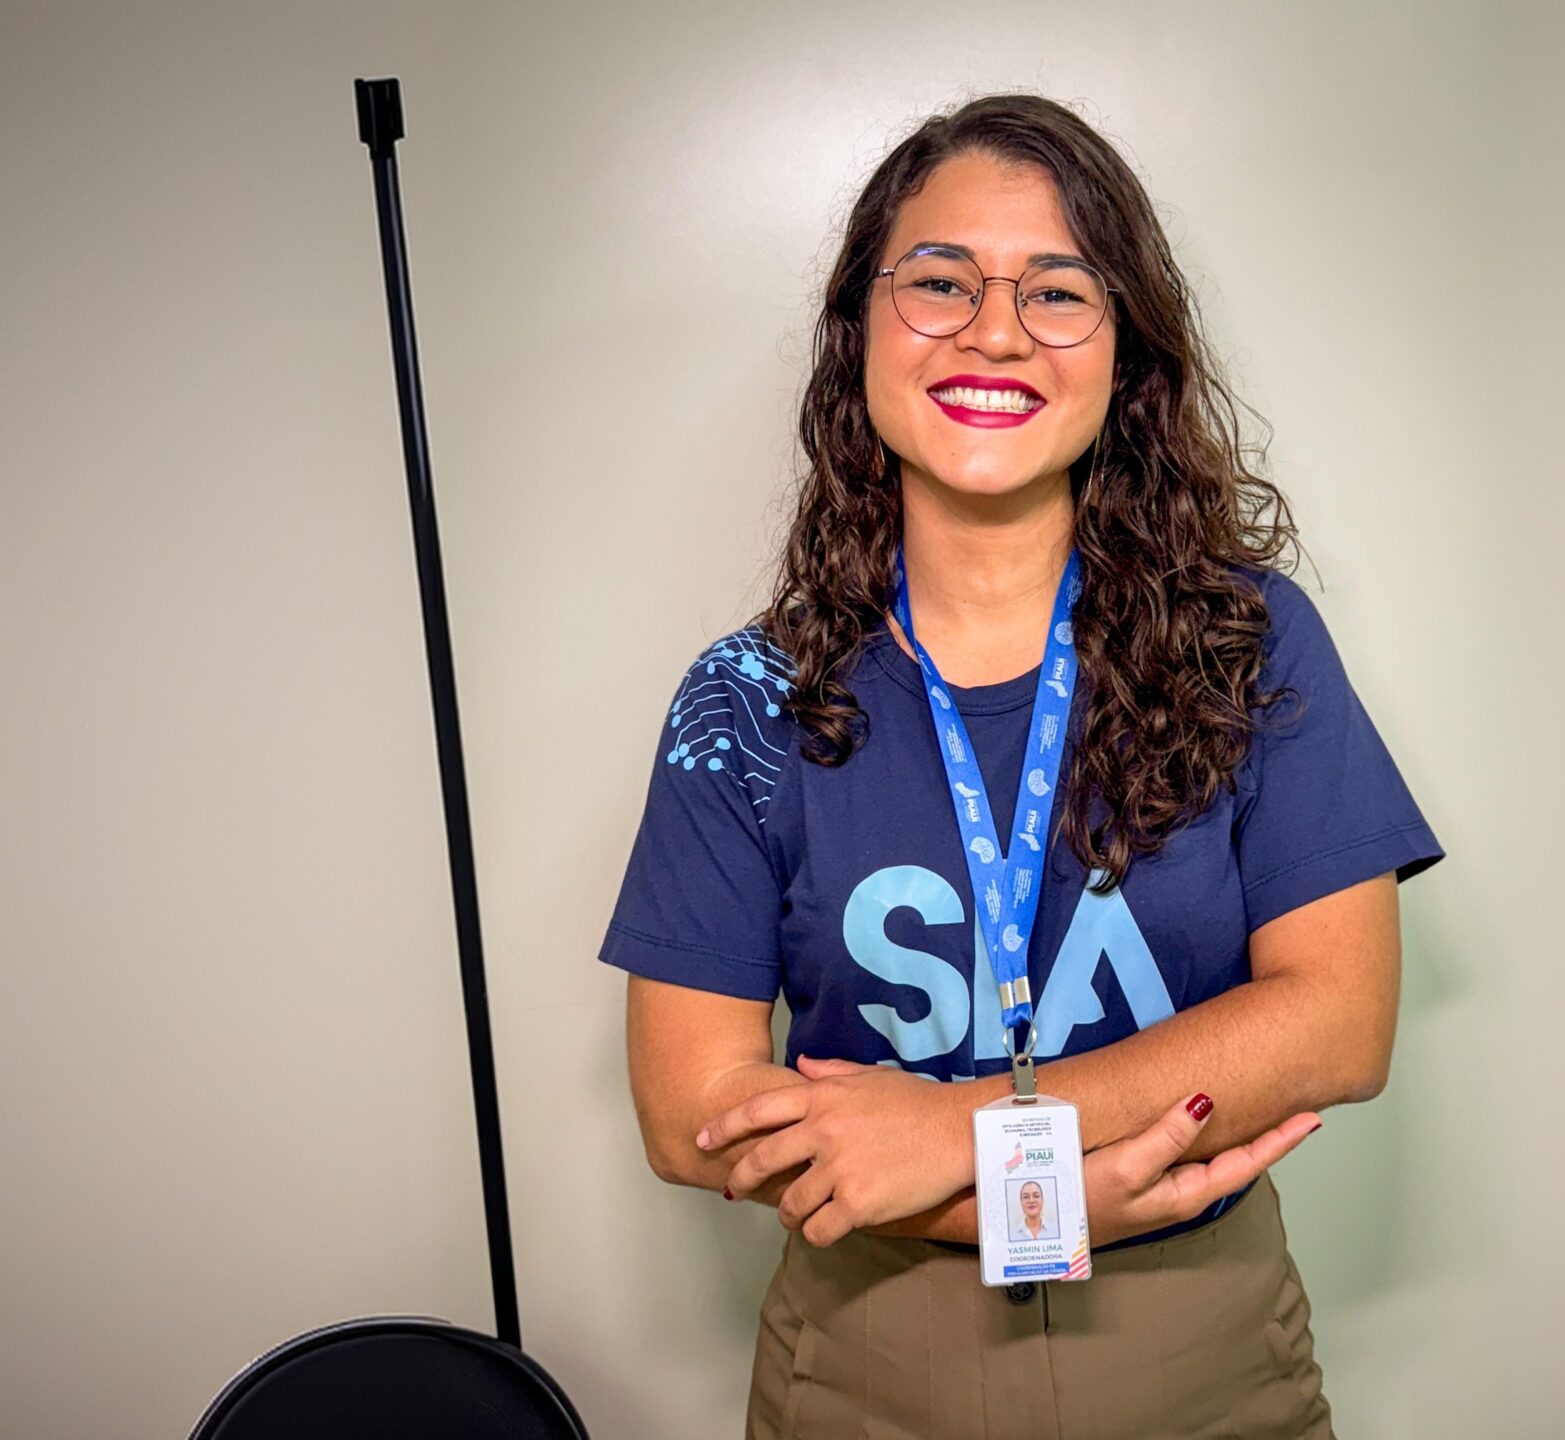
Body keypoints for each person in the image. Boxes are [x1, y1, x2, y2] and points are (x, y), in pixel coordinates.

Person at [598, 92, 1444, 1440]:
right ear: (857, 334)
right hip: (867, 1353)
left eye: (1058, 292)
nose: (994, 329)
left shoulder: (1248, 639)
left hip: (1197, 1345)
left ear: (1128, 358)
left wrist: (982, 1132)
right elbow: (688, 1107)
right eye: (939, 282)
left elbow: (1338, 1021)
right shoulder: (745, 700)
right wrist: (1017, 1190)